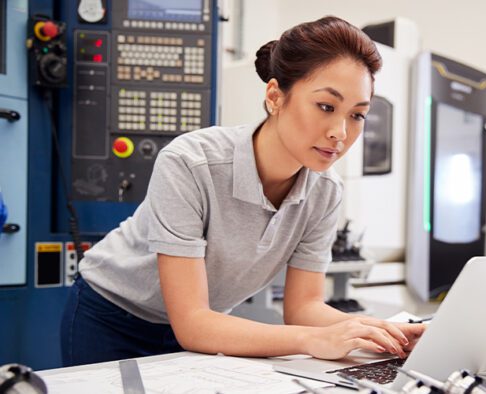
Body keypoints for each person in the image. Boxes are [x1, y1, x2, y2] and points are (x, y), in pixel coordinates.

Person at [60, 15, 425, 367]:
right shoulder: (191, 163)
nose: (340, 132)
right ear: (275, 96)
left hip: (212, 328)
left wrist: (382, 334)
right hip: (113, 316)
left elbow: (303, 308)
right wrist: (310, 340)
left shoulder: (325, 191)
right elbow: (192, 323)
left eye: (357, 114)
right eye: (326, 106)